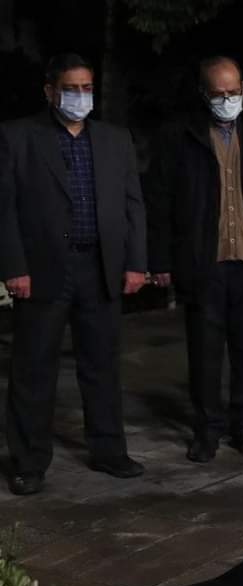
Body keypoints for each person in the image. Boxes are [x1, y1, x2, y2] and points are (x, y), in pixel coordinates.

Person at [0, 53, 148, 496]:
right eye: (71, 88)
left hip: (100, 268)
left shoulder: (114, 139)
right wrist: (14, 268)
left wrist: (135, 262)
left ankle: (109, 450)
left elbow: (133, 204)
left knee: (102, 365)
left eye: (87, 88)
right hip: (43, 270)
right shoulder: (17, 136)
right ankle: (28, 462)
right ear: (50, 91)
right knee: (33, 370)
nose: (80, 96)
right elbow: (4, 208)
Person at [147, 56, 243, 463]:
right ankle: (207, 429)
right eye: (218, 93)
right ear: (203, 93)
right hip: (203, 261)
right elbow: (160, 200)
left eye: (233, 92)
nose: (227, 99)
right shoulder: (179, 134)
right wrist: (160, 260)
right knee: (205, 352)